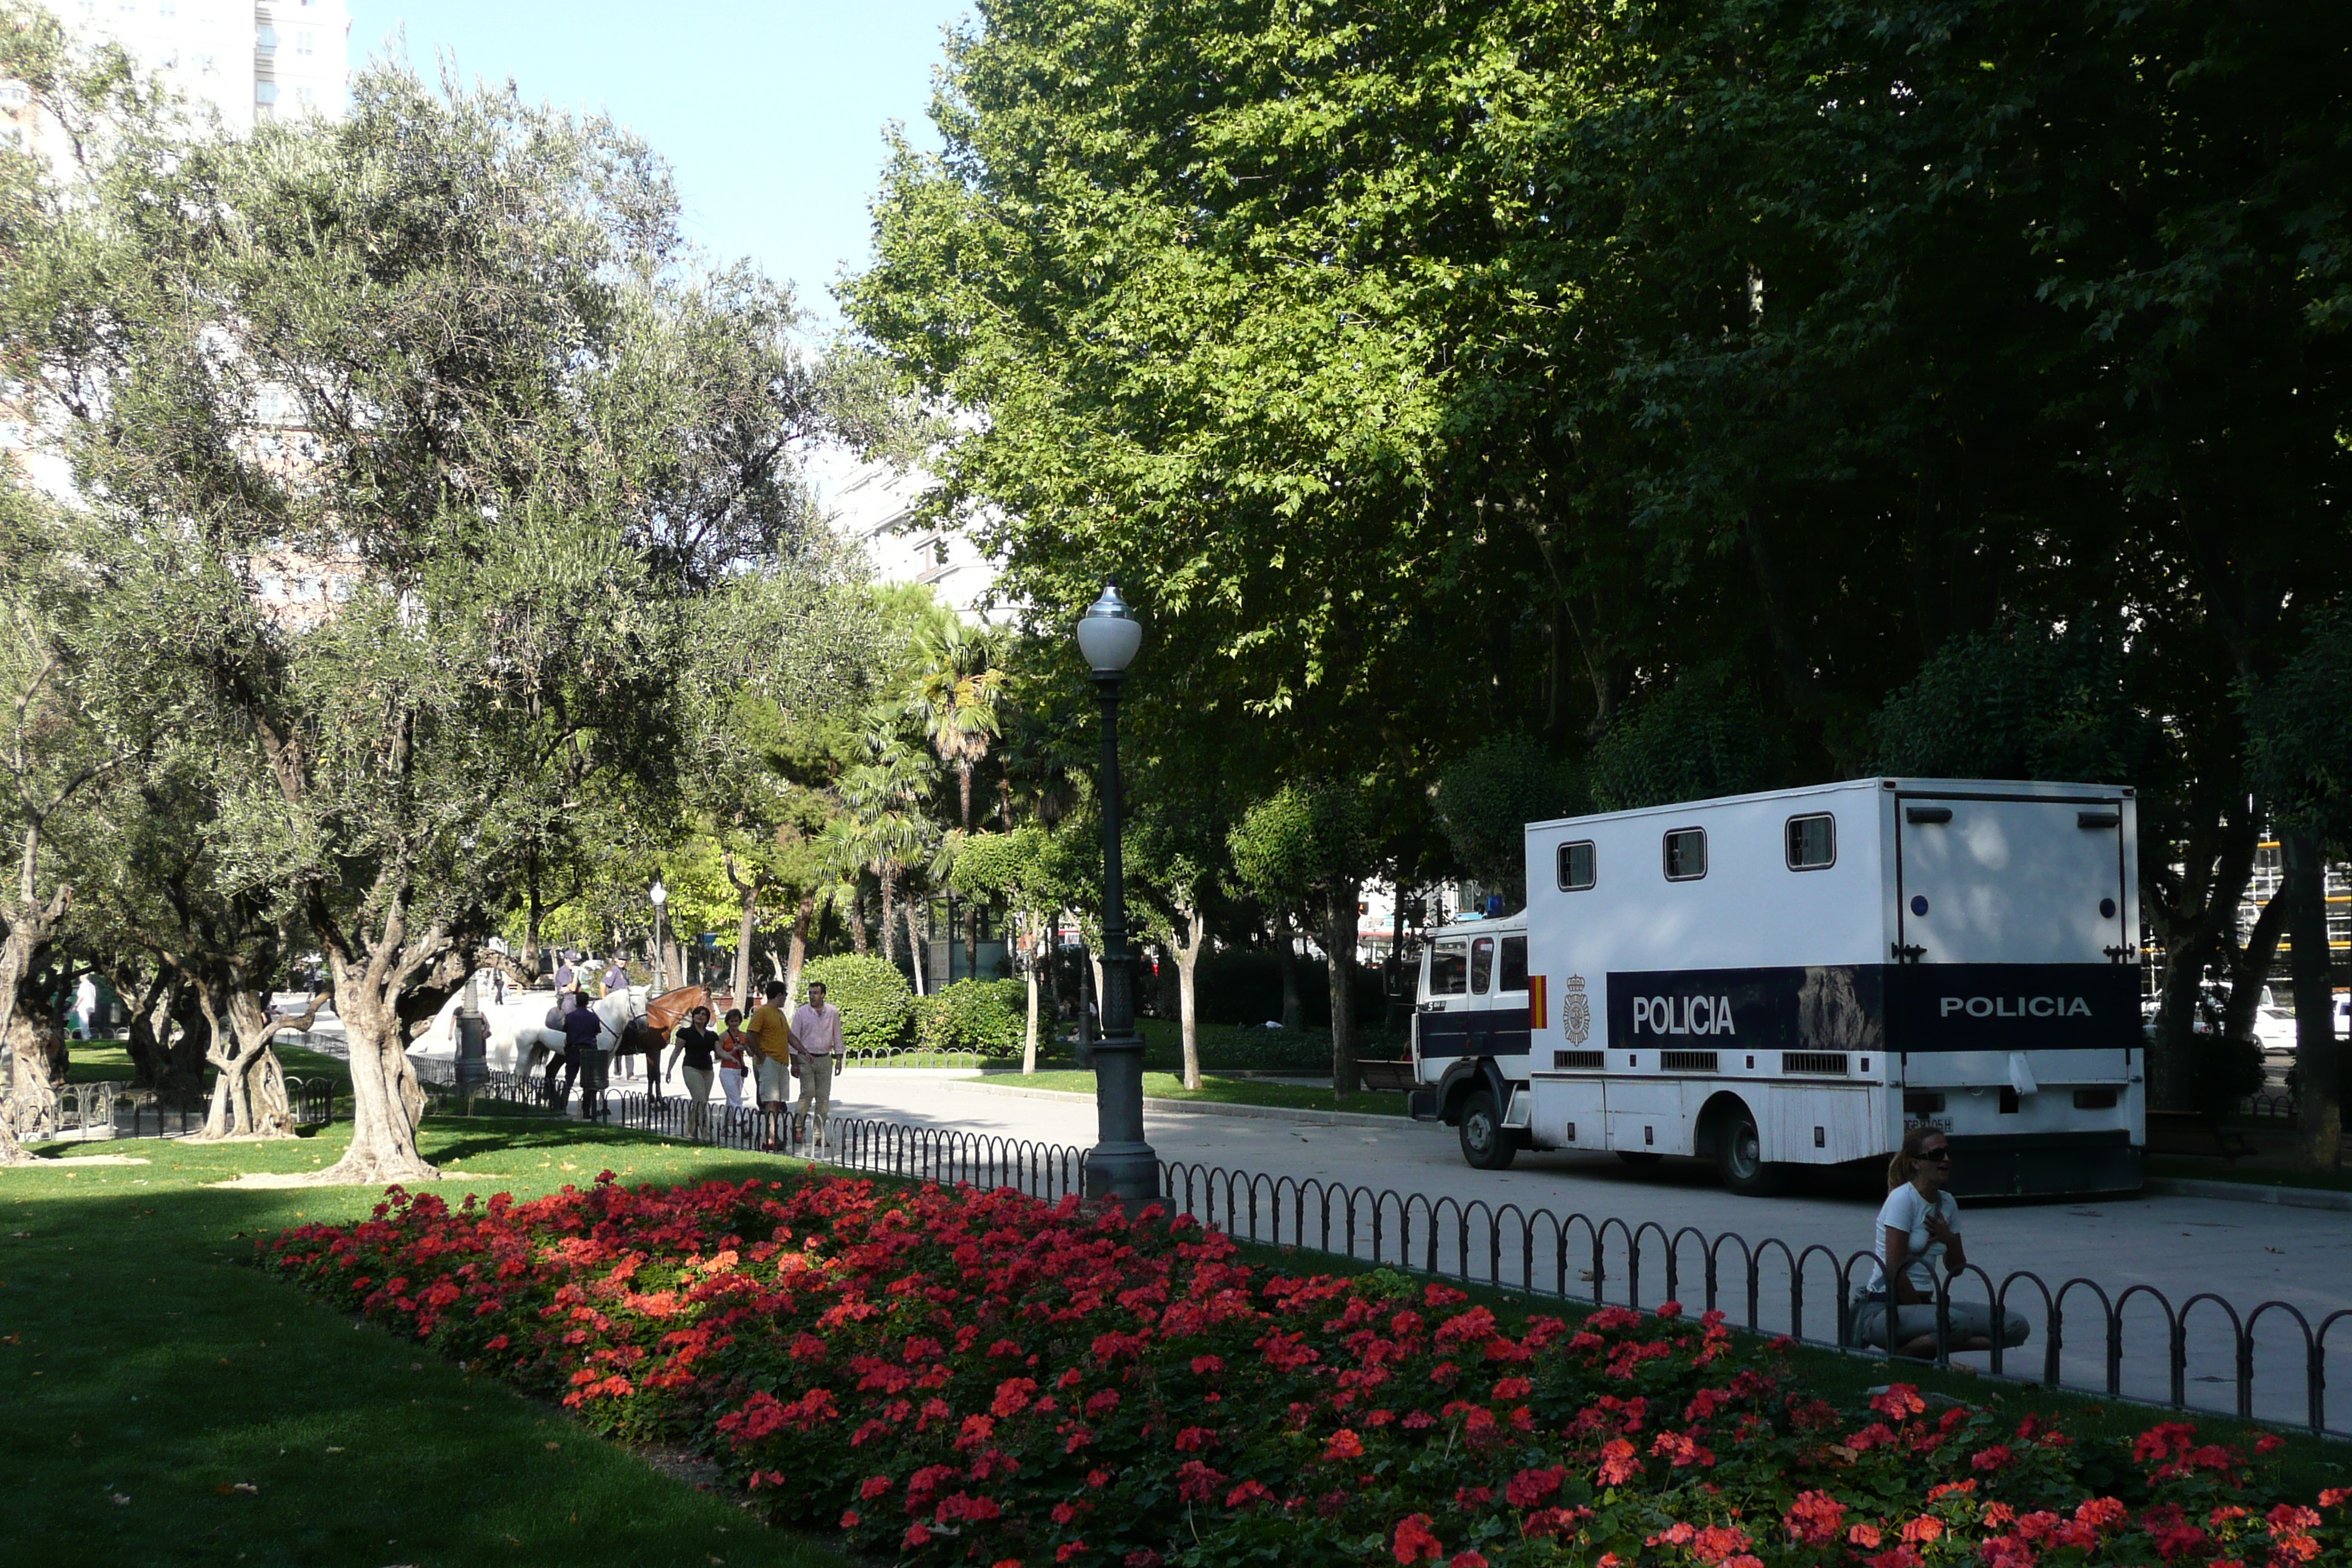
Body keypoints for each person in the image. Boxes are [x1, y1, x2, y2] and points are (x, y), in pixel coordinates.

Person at [1850, 1126, 2029, 1357]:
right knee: (1956, 1324)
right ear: (1916, 1163)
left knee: (2015, 1326)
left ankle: (1917, 1348)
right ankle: (1915, 1349)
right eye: (1935, 1155)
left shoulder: (1947, 1203)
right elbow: (1895, 1270)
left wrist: (1949, 1240)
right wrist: (1921, 1310)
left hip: (1925, 1307)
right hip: (1887, 1307)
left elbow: (1956, 1269)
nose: (1945, 1160)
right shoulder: (1903, 1200)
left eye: (1947, 1152)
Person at [790, 980, 846, 1150]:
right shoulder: (802, 1012)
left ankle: (818, 1135)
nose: (812, 996)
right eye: (810, 993)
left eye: (815, 993)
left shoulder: (832, 1012)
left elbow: (837, 1034)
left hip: (824, 1058)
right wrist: (794, 1062)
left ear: (823, 995)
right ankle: (798, 1127)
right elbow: (793, 1037)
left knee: (823, 1098)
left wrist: (839, 1058)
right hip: (806, 1057)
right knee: (808, 1092)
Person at [745, 981, 798, 1152]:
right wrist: (761, 1056)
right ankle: (770, 1138)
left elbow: (789, 1036)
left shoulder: (780, 1015)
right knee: (770, 1101)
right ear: (780, 995)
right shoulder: (763, 1013)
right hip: (769, 1062)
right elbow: (750, 1035)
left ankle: (773, 1136)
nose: (785, 999)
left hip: (782, 1063)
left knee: (777, 1103)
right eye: (785, 995)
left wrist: (804, 1052)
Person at [665, 1004, 719, 1139]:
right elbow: (676, 1051)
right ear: (693, 1017)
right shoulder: (685, 1033)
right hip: (691, 1068)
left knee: (700, 1101)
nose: (700, 1016)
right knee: (700, 1100)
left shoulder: (712, 1035)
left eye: (703, 1014)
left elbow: (720, 1052)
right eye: (697, 1014)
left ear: (707, 1018)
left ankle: (690, 1132)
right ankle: (706, 1134)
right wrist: (669, 1070)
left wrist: (732, 1054)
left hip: (708, 1070)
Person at [558, 990, 607, 1118]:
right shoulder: (593, 1017)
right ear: (587, 1002)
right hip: (589, 1051)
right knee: (588, 1082)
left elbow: (565, 1030)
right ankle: (586, 1111)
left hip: (573, 1049)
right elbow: (597, 1032)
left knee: (569, 1079)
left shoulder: (570, 1017)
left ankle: (562, 1106)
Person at [715, 1009, 750, 1127]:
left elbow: (751, 1053)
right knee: (735, 1097)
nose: (734, 1024)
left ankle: (726, 1124)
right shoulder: (723, 1036)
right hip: (727, 1070)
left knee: (731, 1099)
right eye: (732, 1021)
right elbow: (718, 1054)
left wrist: (745, 1047)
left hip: (740, 1069)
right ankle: (740, 1118)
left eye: (736, 1021)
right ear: (728, 1022)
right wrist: (732, 1050)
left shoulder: (743, 1035)